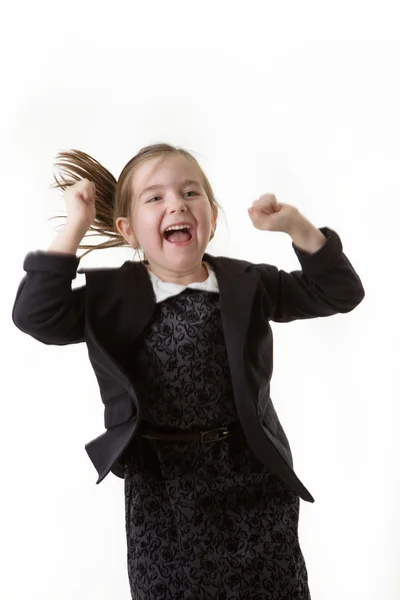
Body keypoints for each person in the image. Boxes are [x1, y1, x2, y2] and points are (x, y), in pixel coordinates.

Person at [12, 143, 365, 599]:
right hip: (163, 490)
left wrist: (295, 226)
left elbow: (340, 292)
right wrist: (75, 228)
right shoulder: (111, 295)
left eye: (190, 192)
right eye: (154, 198)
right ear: (128, 229)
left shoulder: (248, 283)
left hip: (251, 478)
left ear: (212, 218)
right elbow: (35, 315)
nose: (176, 203)